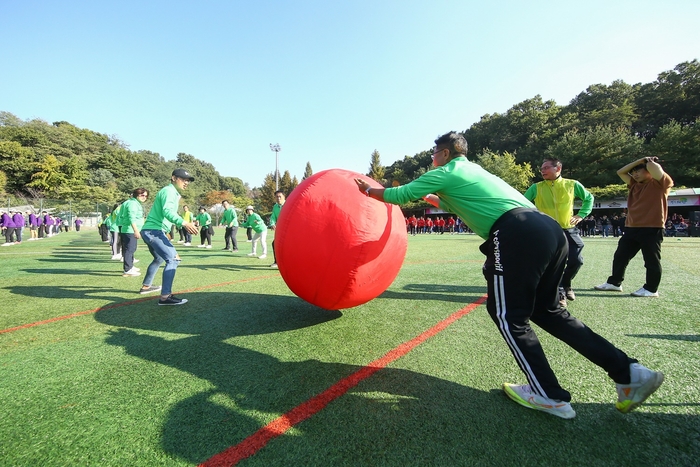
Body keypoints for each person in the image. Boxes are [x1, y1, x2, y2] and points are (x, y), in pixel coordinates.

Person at [354, 131, 663, 419]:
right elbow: (439, 200)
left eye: (433, 154)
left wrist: (368, 190)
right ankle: (630, 373)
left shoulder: (446, 172)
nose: (431, 160)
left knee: (506, 314)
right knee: (547, 311)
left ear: (444, 153)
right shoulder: (472, 172)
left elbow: (401, 194)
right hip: (549, 231)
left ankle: (548, 394)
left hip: (516, 232)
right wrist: (426, 197)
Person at [595, 157, 674, 297]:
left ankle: (651, 289)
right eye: (634, 172)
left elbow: (656, 169)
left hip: (652, 228)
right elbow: (621, 172)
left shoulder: (660, 183)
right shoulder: (634, 184)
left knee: (651, 260)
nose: (635, 174)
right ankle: (614, 283)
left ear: (649, 171)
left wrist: (648, 162)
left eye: (638, 171)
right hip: (632, 228)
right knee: (620, 256)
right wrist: (640, 161)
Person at [524, 158, 594, 308]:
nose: (542, 171)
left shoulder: (572, 184)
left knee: (577, 260)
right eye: (541, 168)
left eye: (546, 168)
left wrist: (580, 215)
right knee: (551, 264)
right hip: (545, 231)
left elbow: (589, 198)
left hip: (568, 229)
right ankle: (560, 293)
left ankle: (566, 283)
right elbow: (522, 203)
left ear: (558, 169)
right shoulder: (536, 187)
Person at [139, 168, 199, 305]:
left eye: (188, 181)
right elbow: (167, 212)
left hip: (151, 230)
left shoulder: (171, 192)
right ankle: (165, 297)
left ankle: (146, 286)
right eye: (183, 179)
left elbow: (166, 213)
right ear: (173, 178)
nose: (186, 183)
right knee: (173, 259)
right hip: (154, 231)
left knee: (159, 258)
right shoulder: (169, 191)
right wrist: (184, 223)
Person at [118, 188, 148, 277]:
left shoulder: (130, 202)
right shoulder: (132, 204)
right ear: (136, 194)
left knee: (130, 249)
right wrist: (136, 230)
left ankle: (130, 266)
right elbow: (132, 218)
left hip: (127, 229)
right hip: (130, 230)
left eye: (146, 196)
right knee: (129, 249)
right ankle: (128, 269)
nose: (144, 197)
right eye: (142, 195)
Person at [268, 190, 285, 268]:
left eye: (280, 196)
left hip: (290, 229)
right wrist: (272, 224)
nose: (278, 198)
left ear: (284, 197)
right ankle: (276, 262)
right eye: (276, 197)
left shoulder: (289, 204)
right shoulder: (275, 206)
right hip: (281, 230)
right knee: (274, 244)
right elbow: (273, 217)